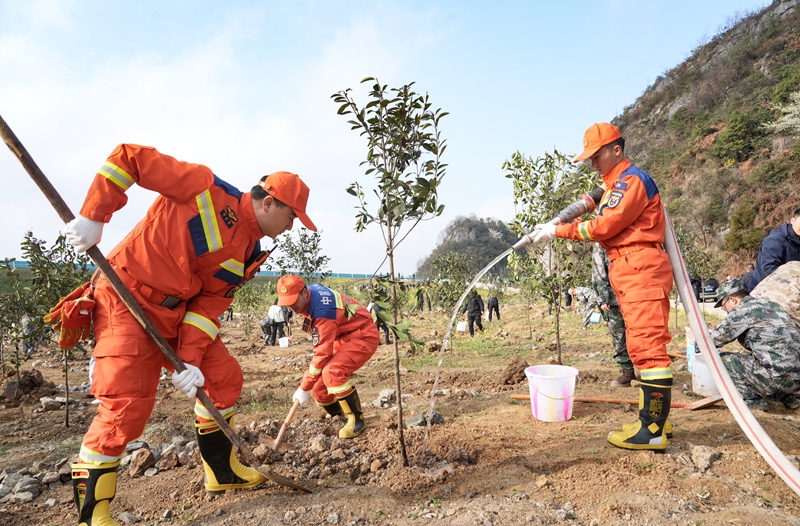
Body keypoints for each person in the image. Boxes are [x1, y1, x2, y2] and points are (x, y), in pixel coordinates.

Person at [60, 143, 316, 525]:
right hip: (125, 298)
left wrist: (191, 360)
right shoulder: (203, 187)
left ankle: (221, 473)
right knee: (126, 407)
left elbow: (209, 304)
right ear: (269, 204)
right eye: (292, 216)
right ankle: (93, 517)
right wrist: (94, 215)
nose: (291, 227)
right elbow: (129, 158)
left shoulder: (250, 253)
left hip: (174, 314)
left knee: (223, 379)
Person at [528, 123, 674, 451]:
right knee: (640, 348)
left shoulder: (632, 181)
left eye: (597, 156)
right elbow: (600, 210)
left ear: (616, 150)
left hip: (640, 268)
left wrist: (557, 231)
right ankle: (654, 421)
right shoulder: (614, 185)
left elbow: (603, 227)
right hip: (629, 268)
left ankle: (652, 431)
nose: (593, 164)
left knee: (649, 350)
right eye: (589, 158)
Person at [278, 274, 379, 438]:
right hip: (342, 336)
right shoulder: (312, 294)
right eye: (287, 303)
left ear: (304, 292)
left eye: (293, 301)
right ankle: (335, 414)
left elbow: (322, 354)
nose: (291, 306)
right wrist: (309, 386)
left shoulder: (323, 312)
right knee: (319, 388)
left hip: (363, 335)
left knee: (332, 371)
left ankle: (357, 420)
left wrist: (303, 387)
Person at [710, 279, 800, 411]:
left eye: (724, 306)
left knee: (722, 360)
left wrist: (696, 343)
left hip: (779, 379)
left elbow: (713, 340)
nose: (726, 311)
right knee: (770, 356)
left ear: (732, 300)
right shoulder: (772, 305)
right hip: (798, 378)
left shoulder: (742, 311)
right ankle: (789, 399)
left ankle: (754, 400)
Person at [591, 243, 635, 387]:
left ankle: (633, 370)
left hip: (624, 296)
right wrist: (603, 297)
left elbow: (598, 272)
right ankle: (629, 371)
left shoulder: (602, 242)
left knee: (622, 335)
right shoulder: (605, 242)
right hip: (621, 298)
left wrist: (603, 298)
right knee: (627, 334)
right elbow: (599, 271)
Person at [748, 207, 800, 291]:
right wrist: (794, 282)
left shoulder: (797, 241)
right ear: (792, 220)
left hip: (788, 290)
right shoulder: (775, 240)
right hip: (764, 291)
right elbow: (769, 268)